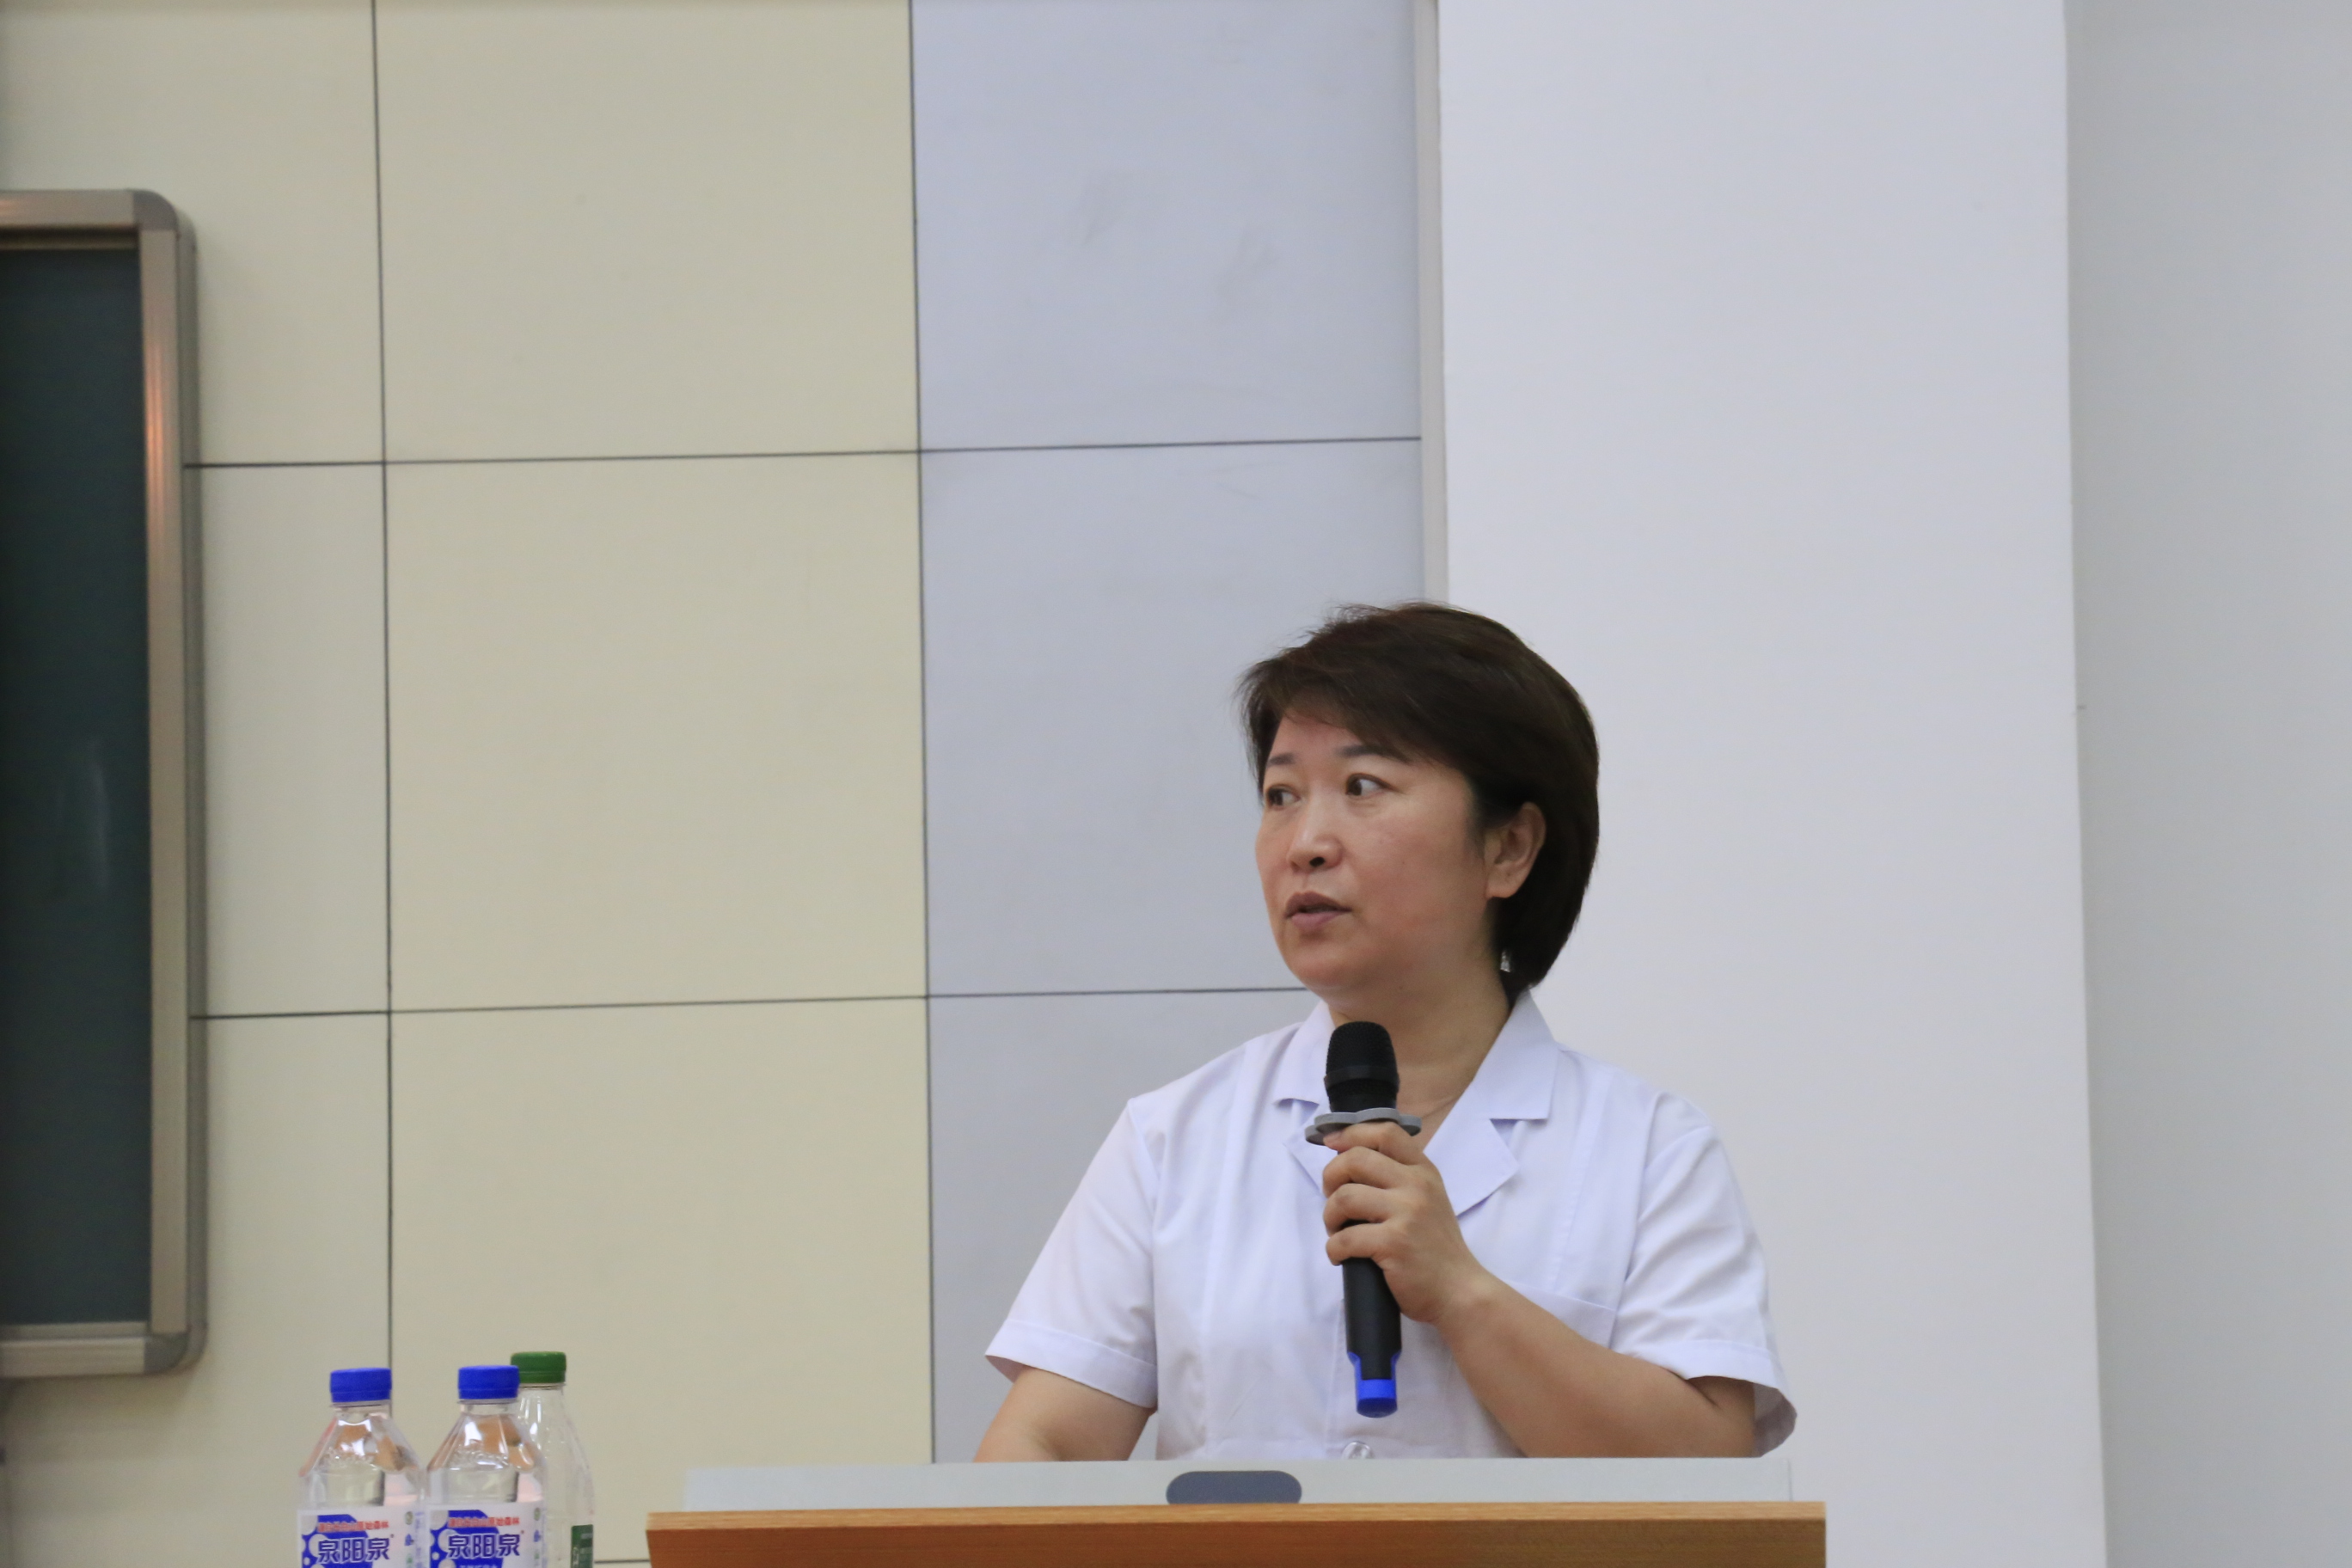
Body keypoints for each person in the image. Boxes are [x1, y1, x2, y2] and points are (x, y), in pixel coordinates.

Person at [977, 603, 1792, 1462]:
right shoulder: (1176, 1137)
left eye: (1362, 787)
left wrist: (1462, 1293)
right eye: (1281, 796)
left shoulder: (1649, 1148)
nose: (1305, 843)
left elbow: (1705, 1467)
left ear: (1509, 848)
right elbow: (1044, 1443)